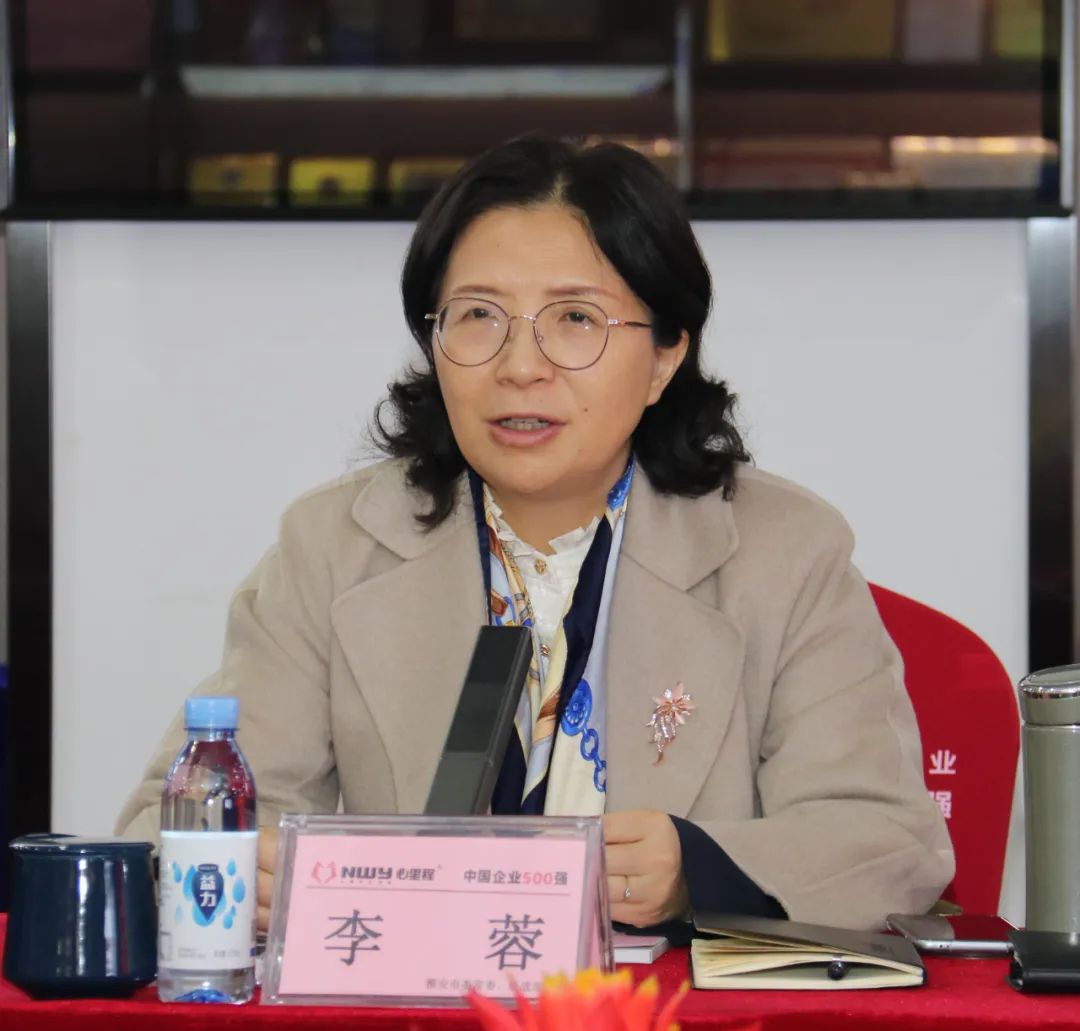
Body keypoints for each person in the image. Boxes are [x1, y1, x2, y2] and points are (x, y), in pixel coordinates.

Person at [117, 135, 953, 938]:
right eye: (479, 316)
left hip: (662, 1008)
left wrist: (698, 868)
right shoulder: (334, 547)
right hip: (419, 1004)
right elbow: (169, 823)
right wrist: (243, 869)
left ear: (664, 357)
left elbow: (890, 843)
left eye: (576, 318)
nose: (520, 365)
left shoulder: (784, 552)